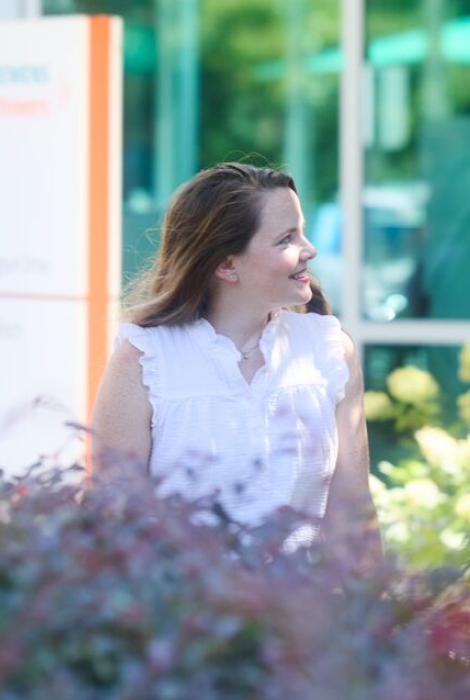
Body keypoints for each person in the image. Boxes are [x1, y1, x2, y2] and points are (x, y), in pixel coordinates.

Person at [89, 162, 381, 565]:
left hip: (303, 620)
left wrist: (374, 618)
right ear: (226, 265)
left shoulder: (329, 349)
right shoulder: (144, 359)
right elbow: (113, 527)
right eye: (286, 238)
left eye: (301, 230)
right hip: (182, 619)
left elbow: (354, 516)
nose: (309, 249)